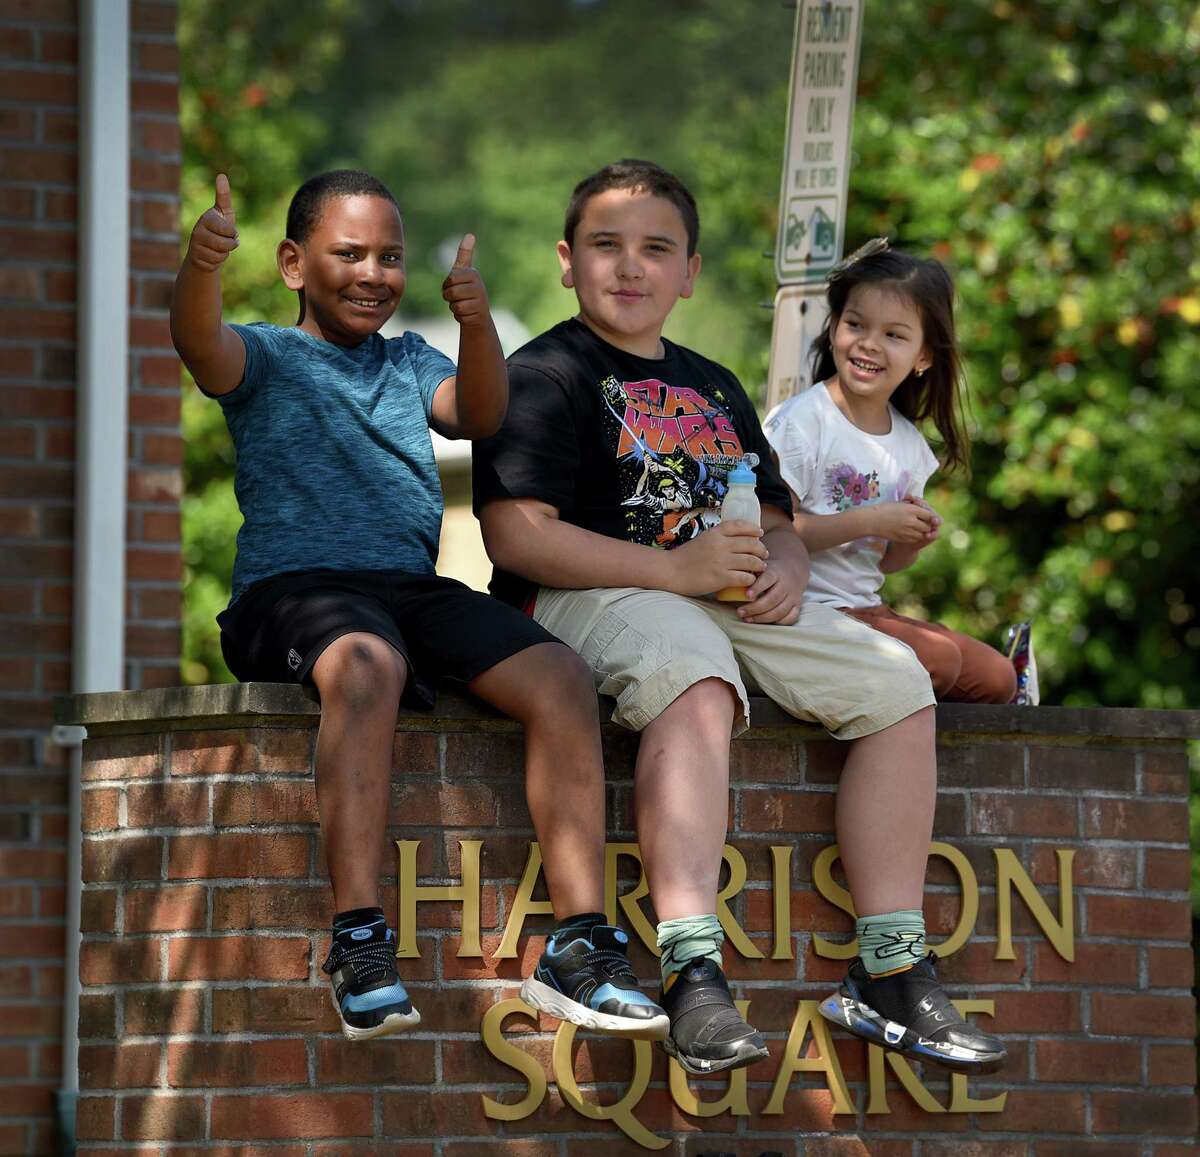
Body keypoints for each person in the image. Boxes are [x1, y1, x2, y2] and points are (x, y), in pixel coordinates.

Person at [474, 159, 1007, 1076]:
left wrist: (791, 560)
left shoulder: (714, 384)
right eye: (606, 245)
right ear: (567, 260)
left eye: (656, 248)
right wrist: (673, 567)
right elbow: (516, 534)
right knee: (695, 674)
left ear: (691, 272)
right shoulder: (545, 372)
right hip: (593, 593)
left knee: (897, 682)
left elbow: (774, 512)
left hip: (721, 595)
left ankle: (888, 969)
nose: (630, 266)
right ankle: (691, 969)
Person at [170, 169, 669, 1043]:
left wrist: (476, 321)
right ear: (292, 263)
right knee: (369, 666)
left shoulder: (410, 363)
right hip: (293, 592)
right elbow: (200, 343)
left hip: (407, 591)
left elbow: (479, 410)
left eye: (390, 257)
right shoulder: (267, 355)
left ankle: (580, 944)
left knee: (558, 672)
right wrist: (202, 265)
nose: (374, 273)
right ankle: (360, 941)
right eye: (349, 253)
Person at [763, 240, 1018, 704]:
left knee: (998, 678)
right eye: (855, 324)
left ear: (924, 357)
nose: (869, 343)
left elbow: (885, 563)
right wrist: (873, 520)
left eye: (894, 336)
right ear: (834, 327)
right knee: (939, 661)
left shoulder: (909, 447)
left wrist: (908, 542)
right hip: (808, 611)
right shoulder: (801, 422)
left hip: (867, 608)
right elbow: (772, 531)